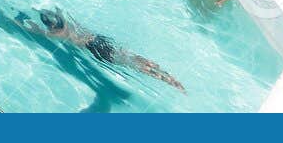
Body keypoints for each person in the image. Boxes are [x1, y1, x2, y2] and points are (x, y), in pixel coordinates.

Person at [19, 7, 184, 91]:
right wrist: (52, 9)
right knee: (131, 57)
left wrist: (21, 24)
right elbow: (60, 11)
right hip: (99, 39)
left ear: (49, 24)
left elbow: (37, 31)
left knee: (131, 64)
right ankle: (166, 74)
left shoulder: (57, 33)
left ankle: (168, 80)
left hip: (96, 50)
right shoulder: (68, 23)